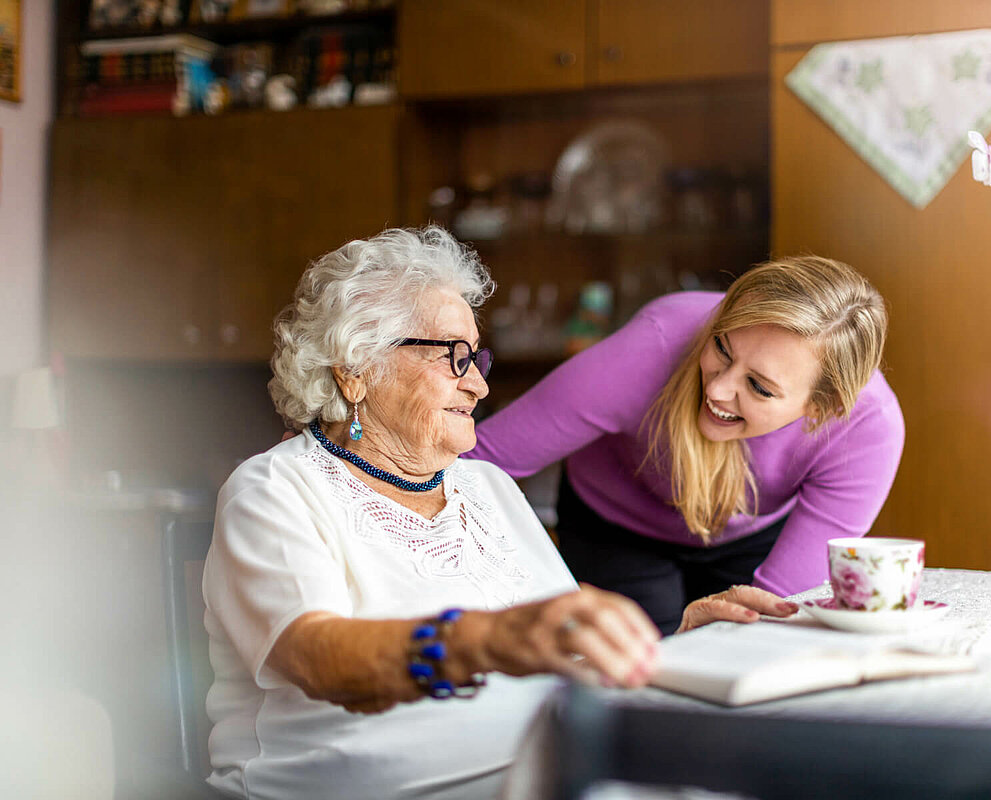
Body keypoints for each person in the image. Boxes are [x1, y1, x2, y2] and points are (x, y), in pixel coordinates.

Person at [202, 226, 797, 800]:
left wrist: (672, 646)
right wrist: (485, 639)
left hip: (545, 778)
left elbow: (562, 654)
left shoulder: (486, 487)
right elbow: (318, 656)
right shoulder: (277, 488)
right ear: (356, 372)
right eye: (453, 358)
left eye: (475, 361)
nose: (480, 389)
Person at [468, 256, 904, 634]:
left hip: (751, 534)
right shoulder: (654, 344)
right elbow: (475, 460)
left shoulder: (867, 429)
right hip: (616, 525)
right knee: (632, 674)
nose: (718, 390)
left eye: (758, 387)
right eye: (722, 347)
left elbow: (775, 612)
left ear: (821, 408)